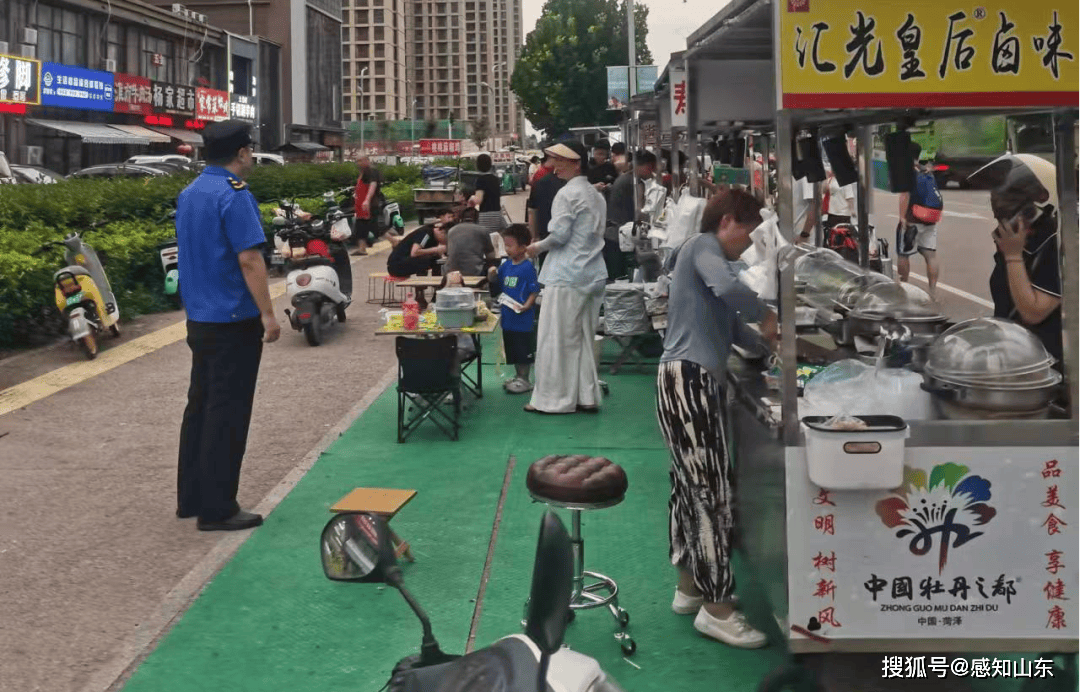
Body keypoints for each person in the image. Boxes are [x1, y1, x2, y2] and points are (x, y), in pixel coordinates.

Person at [656, 189, 777, 648]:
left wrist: (776, 343)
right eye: (748, 233)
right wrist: (766, 311)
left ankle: (691, 587)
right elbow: (733, 293)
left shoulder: (712, 268)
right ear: (727, 220)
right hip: (688, 381)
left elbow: (736, 330)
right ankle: (718, 607)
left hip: (690, 381)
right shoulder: (701, 247)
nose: (749, 245)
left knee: (691, 488)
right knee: (710, 492)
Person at [175, 120, 280, 532]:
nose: (251, 156)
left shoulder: (190, 193)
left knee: (199, 407)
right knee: (228, 413)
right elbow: (250, 259)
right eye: (250, 150)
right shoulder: (234, 196)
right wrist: (269, 315)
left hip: (199, 319)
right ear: (241, 153)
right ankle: (218, 508)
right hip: (234, 320)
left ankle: (192, 498)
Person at [524, 141, 607, 414]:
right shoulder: (596, 195)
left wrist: (535, 247)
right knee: (582, 337)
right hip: (592, 273)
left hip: (567, 274)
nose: (553, 166)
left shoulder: (566, 195)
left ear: (576, 163)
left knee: (556, 339)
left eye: (560, 160)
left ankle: (554, 399)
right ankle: (586, 395)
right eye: (552, 160)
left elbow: (559, 236)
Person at [969, 154, 1063, 364]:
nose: (1001, 224)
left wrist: (1013, 257)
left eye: (1008, 212)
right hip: (1013, 356)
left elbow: (1033, 312)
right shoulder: (1019, 242)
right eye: (998, 217)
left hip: (1046, 366)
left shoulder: (1055, 244)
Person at [487, 223, 541, 394]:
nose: (507, 249)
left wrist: (527, 305)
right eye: (505, 245)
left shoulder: (527, 268)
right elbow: (497, 285)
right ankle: (518, 376)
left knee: (523, 348)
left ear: (523, 247)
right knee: (512, 348)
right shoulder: (506, 266)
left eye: (510, 246)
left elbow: (534, 290)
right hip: (508, 316)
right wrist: (492, 275)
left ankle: (525, 379)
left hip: (522, 318)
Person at [896, 142, 942, 298]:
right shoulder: (926, 170)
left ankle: (904, 287)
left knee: (903, 254)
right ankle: (933, 291)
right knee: (931, 255)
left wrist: (902, 217)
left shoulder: (908, 172)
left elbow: (905, 195)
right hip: (930, 218)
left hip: (912, 219)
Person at [605, 149, 658, 281]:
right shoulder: (634, 183)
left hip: (615, 235)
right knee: (621, 282)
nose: (652, 172)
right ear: (641, 166)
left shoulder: (627, 178)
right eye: (650, 168)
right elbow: (640, 212)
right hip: (619, 237)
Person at [386, 219, 447, 309]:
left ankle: (436, 293)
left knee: (435, 260)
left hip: (405, 263)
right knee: (429, 259)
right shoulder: (426, 233)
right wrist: (436, 250)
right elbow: (414, 252)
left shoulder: (434, 237)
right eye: (446, 238)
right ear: (441, 231)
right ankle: (420, 296)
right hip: (396, 266)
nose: (445, 242)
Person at [526, 153, 567, 268]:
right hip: (567, 242)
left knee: (546, 272)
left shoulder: (539, 181)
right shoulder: (569, 184)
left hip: (544, 236)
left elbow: (532, 211)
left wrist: (534, 237)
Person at [445, 211, 497, 278]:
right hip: (475, 271)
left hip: (451, 272)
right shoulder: (482, 230)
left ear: (462, 218)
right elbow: (490, 255)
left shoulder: (451, 230)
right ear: (477, 218)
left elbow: (447, 252)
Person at [351, 154, 385, 256]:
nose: (359, 163)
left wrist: (367, 200)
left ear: (367, 160)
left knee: (371, 227)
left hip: (369, 204)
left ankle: (393, 241)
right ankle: (362, 248)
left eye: (361, 160)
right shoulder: (364, 172)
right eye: (357, 161)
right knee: (362, 226)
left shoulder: (371, 171)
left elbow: (372, 185)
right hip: (362, 205)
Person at [469, 153, 504, 233]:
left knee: (486, 239)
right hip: (497, 213)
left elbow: (478, 200)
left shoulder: (481, 180)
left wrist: (471, 198)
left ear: (478, 165)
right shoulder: (495, 179)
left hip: (486, 215)